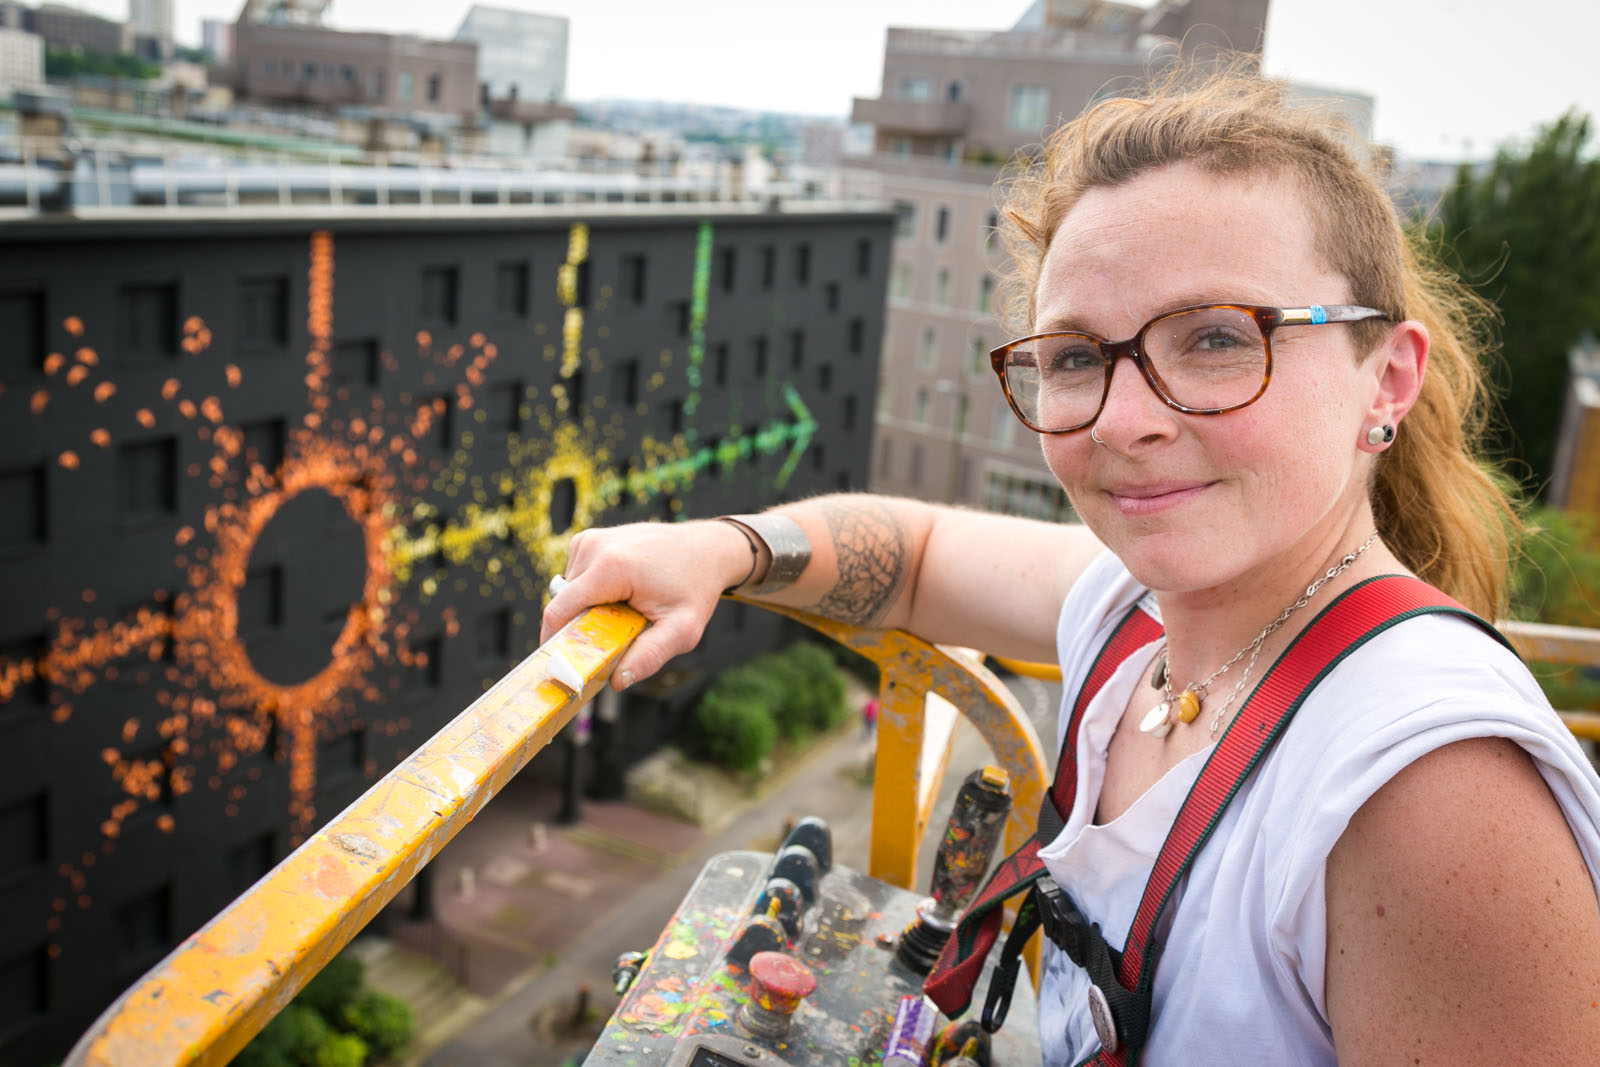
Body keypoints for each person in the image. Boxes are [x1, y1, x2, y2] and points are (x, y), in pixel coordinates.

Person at [541, 69, 1600, 1063]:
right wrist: (722, 546)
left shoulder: (1426, 794)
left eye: (1219, 338)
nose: (1126, 418)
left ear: (1388, 376)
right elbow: (915, 553)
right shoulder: (1137, 614)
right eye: (1078, 357)